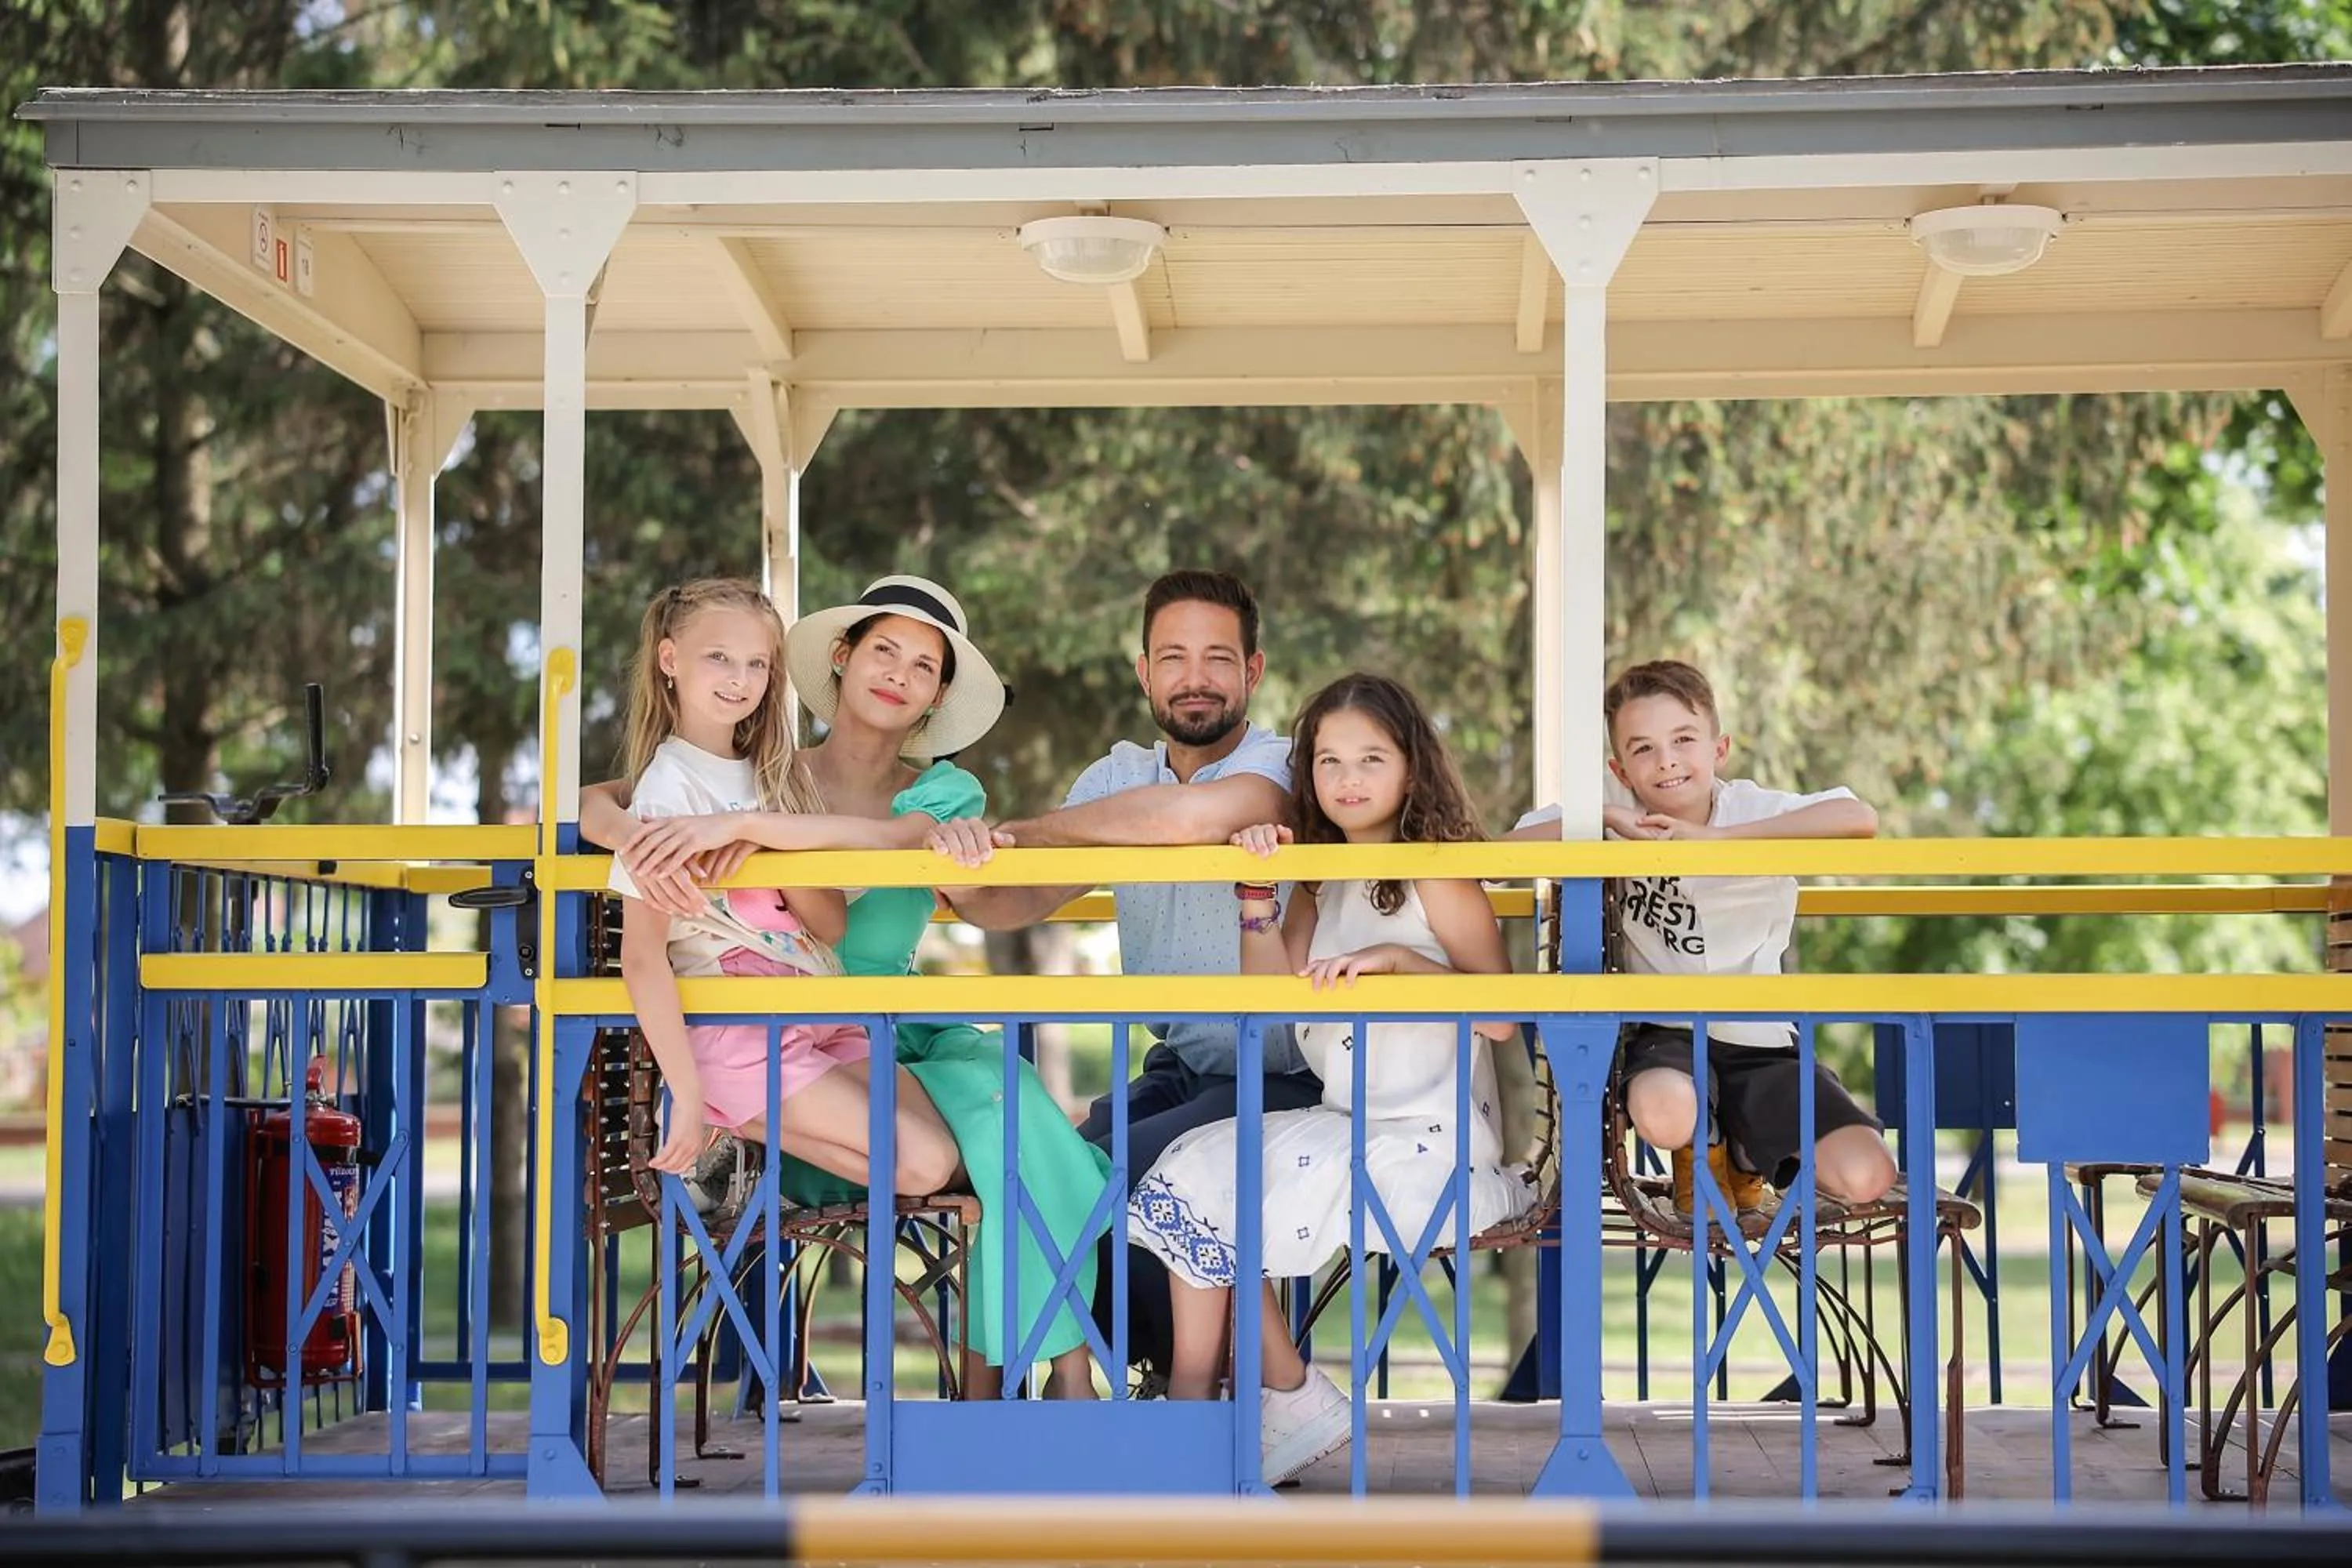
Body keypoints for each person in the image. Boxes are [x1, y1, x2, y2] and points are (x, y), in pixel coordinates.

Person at [584, 575, 1110, 1399]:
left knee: (1011, 1110)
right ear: (842, 656)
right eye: (883, 650)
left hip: (874, 1032)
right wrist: (618, 827)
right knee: (1003, 1133)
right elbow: (619, 799)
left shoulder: (936, 792)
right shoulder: (762, 768)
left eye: (924, 665)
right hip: (785, 1045)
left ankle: (1033, 1379)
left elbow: (883, 856)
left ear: (939, 694)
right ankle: (1030, 1382)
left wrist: (751, 832)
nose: (899, 673)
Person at [1128, 672, 1532, 1486]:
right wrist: (1255, 894)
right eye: (1328, 760)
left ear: (1411, 769)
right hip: (1347, 1118)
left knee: (1224, 1188)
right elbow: (1269, 999)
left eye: (1371, 758)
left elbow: (1500, 1017)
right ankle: (1217, 1405)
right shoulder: (1319, 875)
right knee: (1190, 1169)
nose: (1348, 779)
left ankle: (1217, 1422)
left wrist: (1399, 962)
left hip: (1436, 1139)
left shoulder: (1436, 871)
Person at [944, 569, 1325, 1383]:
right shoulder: (1111, 780)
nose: (1196, 678)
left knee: (1088, 1181)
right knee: (1029, 1176)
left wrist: (1038, 827)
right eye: (1174, 657)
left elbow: (1187, 820)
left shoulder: (1286, 767)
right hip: (1178, 1068)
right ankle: (997, 1406)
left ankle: (1192, 1388)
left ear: (1253, 672)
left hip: (1284, 1073)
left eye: (1219, 658)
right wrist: (957, 865)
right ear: (1144, 671)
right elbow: (1027, 897)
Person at [607, 578, 956, 1222]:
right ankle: (720, 1109)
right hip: (744, 1030)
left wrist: (770, 850)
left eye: (757, 664)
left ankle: (744, 1119)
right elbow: (643, 958)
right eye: (719, 657)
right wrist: (684, 1089)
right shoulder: (666, 796)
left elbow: (827, 923)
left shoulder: (774, 774)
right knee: (926, 1162)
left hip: (817, 1005)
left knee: (950, 1153)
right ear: (669, 661)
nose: (739, 679)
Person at [1508, 659, 1894, 1221]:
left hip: (1759, 1037)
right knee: (1665, 1110)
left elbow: (1859, 817)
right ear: (1620, 767)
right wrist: (1610, 817)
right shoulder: (1614, 811)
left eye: (1683, 739)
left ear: (1719, 749)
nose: (1665, 760)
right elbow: (1506, 849)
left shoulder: (1751, 809)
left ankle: (1742, 1150)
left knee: (1866, 1176)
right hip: (1664, 1034)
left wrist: (1714, 841)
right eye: (1642, 749)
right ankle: (1702, 1141)